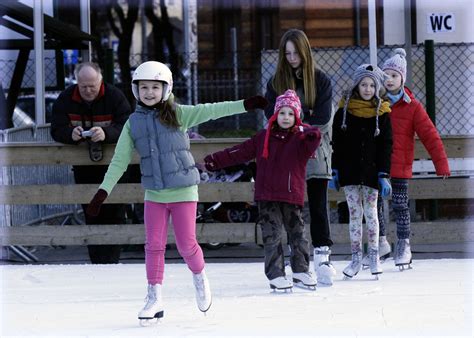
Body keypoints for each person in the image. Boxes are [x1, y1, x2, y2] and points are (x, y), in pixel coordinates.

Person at [85, 61, 268, 325]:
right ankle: (154, 297)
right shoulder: (132, 124)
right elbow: (119, 160)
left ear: (166, 88)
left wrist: (244, 104)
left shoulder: (178, 114)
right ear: (136, 90)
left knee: (186, 245)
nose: (149, 92)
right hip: (155, 194)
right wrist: (103, 191)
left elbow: (211, 110)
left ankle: (199, 276)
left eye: (155, 87)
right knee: (154, 246)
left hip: (183, 190)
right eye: (144, 87)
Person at [204, 89, 321, 291]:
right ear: (275, 115)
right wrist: (214, 161)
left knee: (298, 234)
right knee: (272, 236)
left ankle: (301, 271)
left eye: (291, 114)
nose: (286, 117)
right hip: (267, 196)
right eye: (282, 113)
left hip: (292, 195)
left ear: (297, 117)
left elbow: (314, 139)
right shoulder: (263, 137)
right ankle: (276, 274)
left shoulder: (300, 141)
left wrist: (307, 131)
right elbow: (239, 152)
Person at [364, 48, 450, 270]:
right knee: (374, 207)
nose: (390, 80)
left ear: (402, 78)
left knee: (401, 206)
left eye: (394, 76)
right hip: (377, 166)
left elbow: (429, 135)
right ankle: (380, 242)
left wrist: (441, 164)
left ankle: (403, 245)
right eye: (386, 76)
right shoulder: (374, 103)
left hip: (400, 167)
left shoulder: (412, 106)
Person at [264, 29, 336, 286]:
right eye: (288, 54)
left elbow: (324, 119)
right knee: (289, 210)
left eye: (296, 53)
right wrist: (307, 114)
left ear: (305, 52)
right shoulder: (275, 83)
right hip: (285, 155)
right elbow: (272, 118)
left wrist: (296, 118)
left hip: (315, 152)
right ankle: (295, 262)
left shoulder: (321, 81)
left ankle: (323, 257)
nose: (292, 58)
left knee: (317, 206)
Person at [51, 61, 131, 264]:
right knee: (91, 212)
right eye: (83, 86)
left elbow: (128, 126)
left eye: (92, 86)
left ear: (100, 80)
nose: (88, 90)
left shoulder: (115, 96)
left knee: (114, 213)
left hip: (115, 166)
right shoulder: (66, 98)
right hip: (84, 168)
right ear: (77, 82)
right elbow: (56, 129)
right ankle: (96, 261)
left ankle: (112, 261)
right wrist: (71, 133)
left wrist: (106, 133)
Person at [330, 64, 392, 279]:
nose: (367, 89)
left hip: (372, 173)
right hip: (349, 173)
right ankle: (355, 257)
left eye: (372, 85)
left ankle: (374, 256)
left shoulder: (382, 113)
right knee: (354, 215)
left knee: (372, 213)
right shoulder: (343, 112)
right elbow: (336, 143)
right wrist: (335, 170)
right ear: (357, 85)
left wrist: (384, 174)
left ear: (377, 87)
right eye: (364, 84)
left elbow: (386, 145)